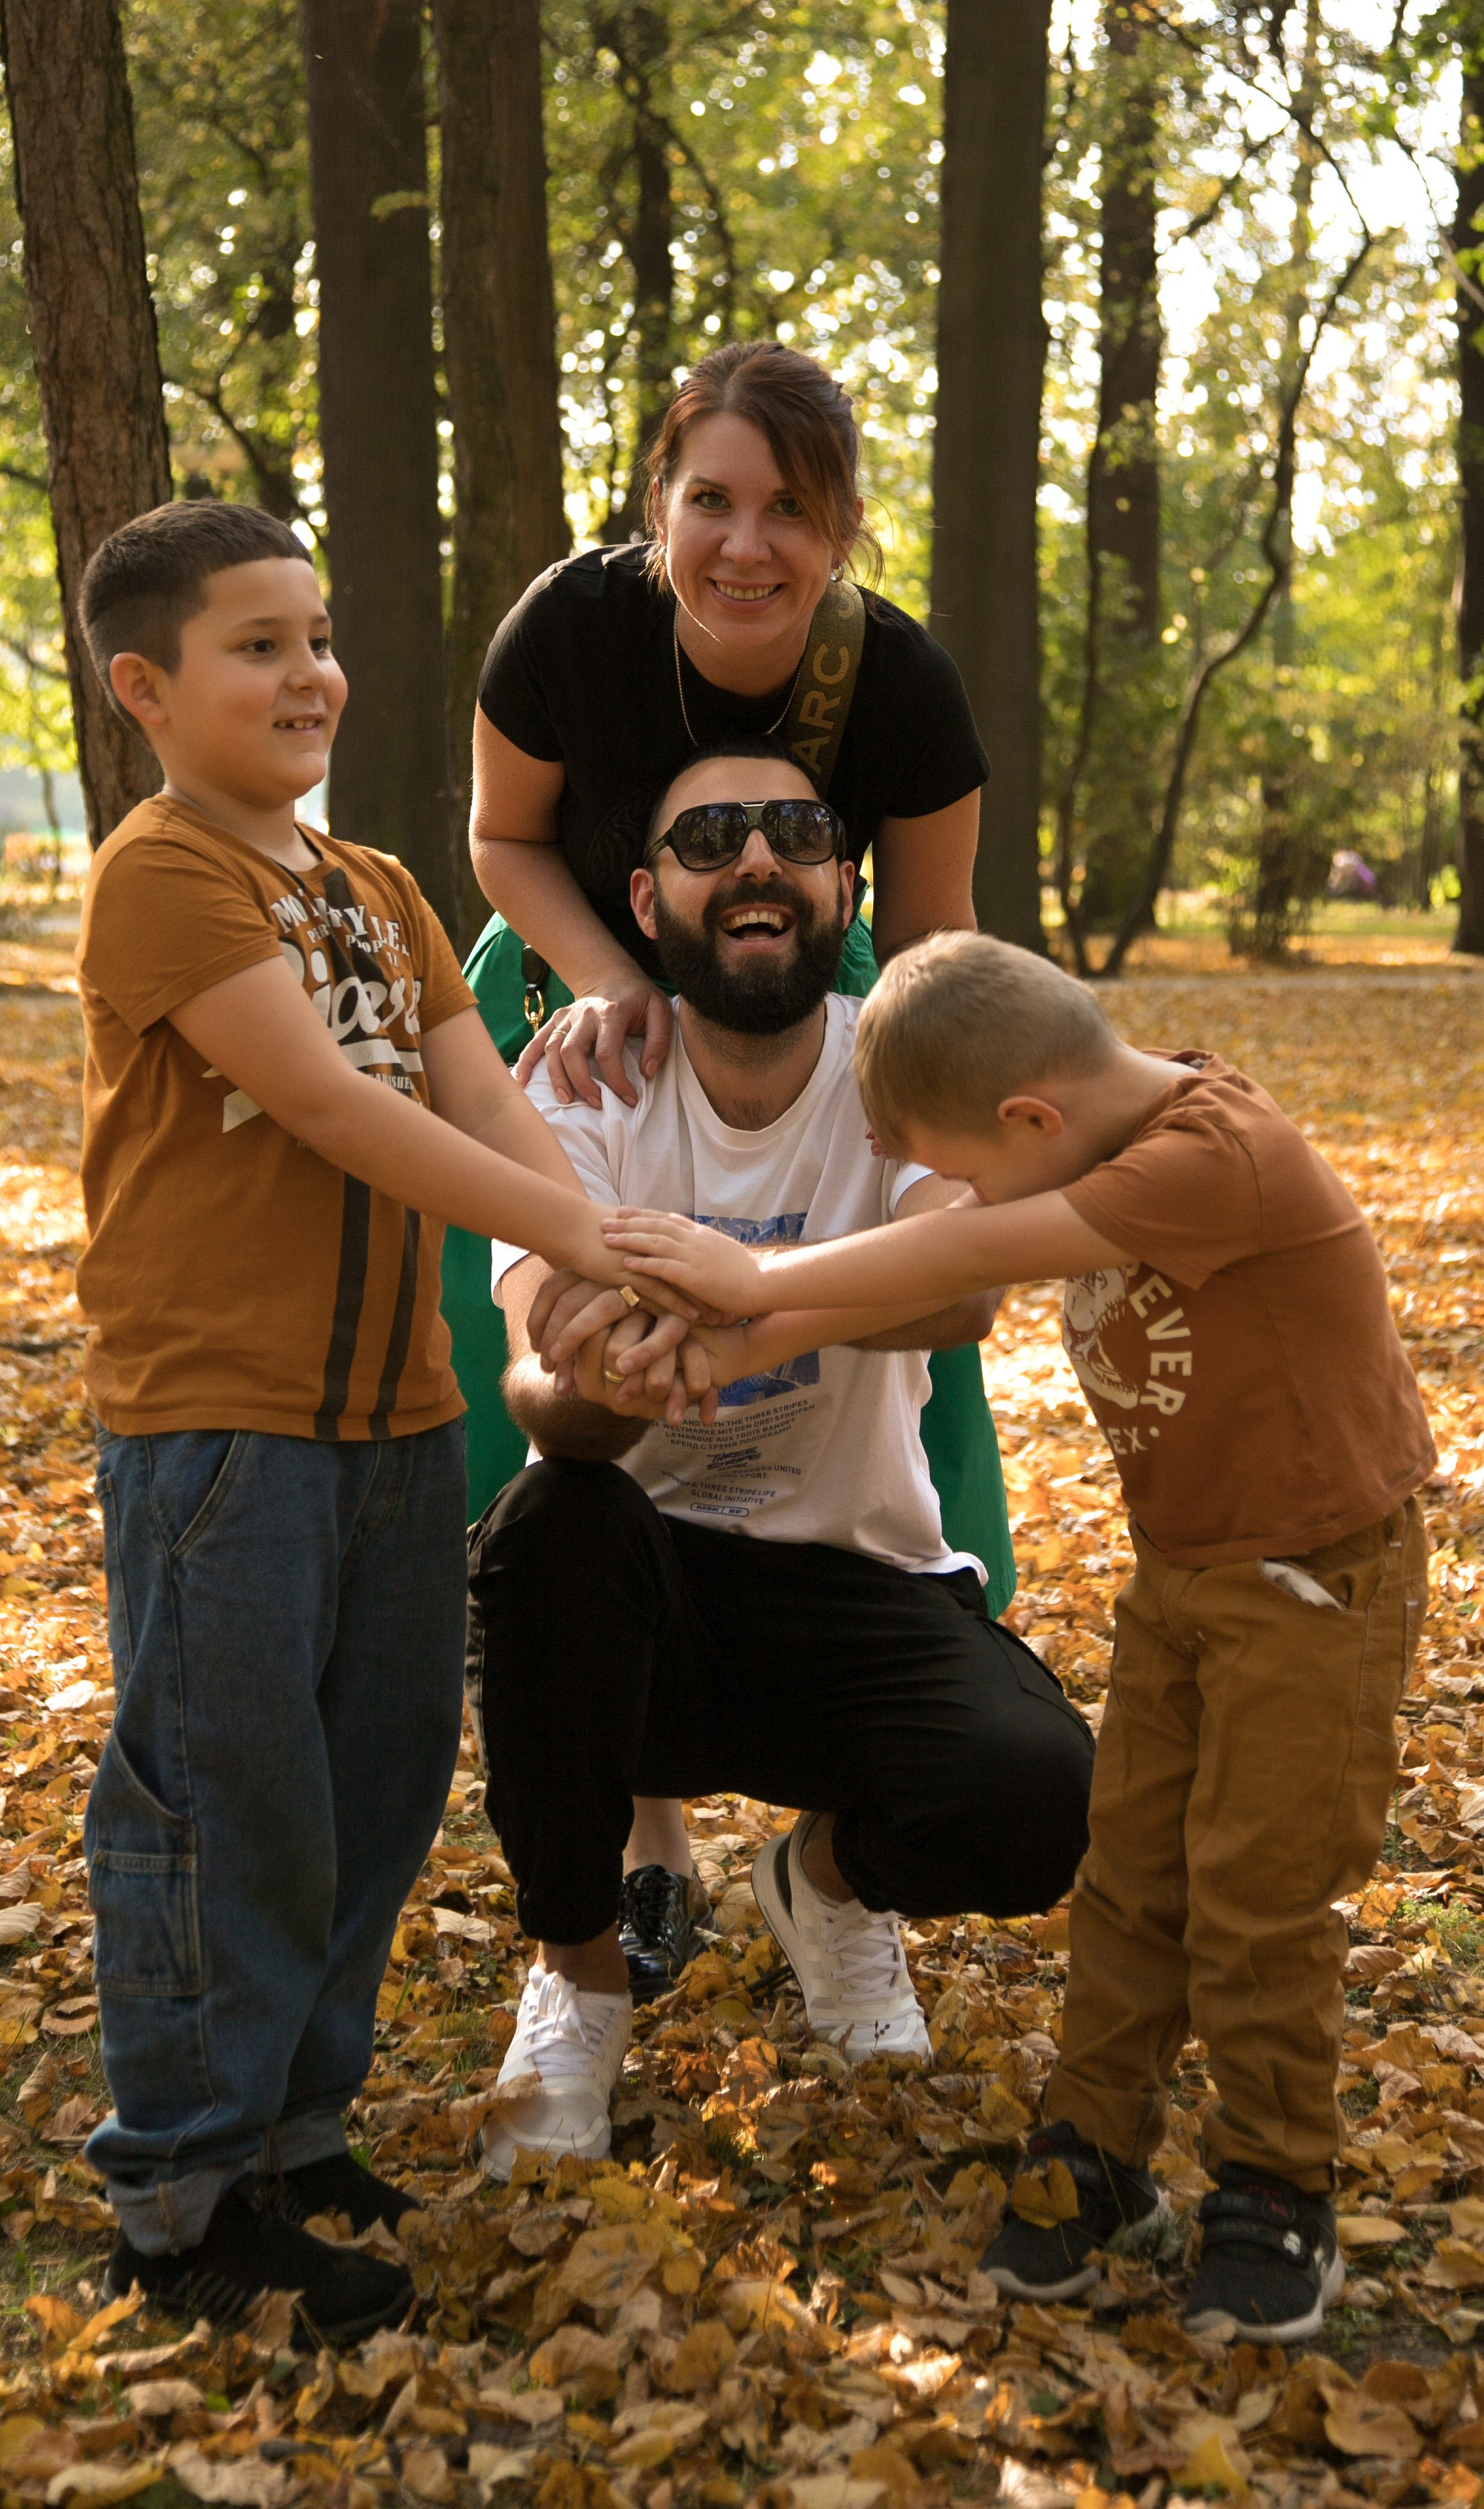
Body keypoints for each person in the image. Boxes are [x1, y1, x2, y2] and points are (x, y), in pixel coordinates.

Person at [601, 929, 1434, 2345]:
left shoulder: (1208, 1156)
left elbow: (980, 1247)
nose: (968, 1194)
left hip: (1315, 1586)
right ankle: (1098, 2149)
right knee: (1128, 1872)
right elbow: (964, 1237)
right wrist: (743, 1344)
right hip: (1184, 1575)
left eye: (970, 1163)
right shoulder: (1098, 1135)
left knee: (1255, 1895)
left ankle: (1277, 2185)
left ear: (1034, 1122)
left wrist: (754, 1279)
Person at [72, 502, 651, 2343]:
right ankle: (182, 2196)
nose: (309, 670)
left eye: (316, 635)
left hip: (396, 1421)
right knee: (222, 1802)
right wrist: (582, 1232)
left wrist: (595, 1270)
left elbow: (483, 1105)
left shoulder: (386, 888)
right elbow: (327, 1104)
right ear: (146, 687)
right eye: (257, 644)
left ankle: (295, 2133)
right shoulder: (164, 875)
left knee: (371, 1792)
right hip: (219, 1433)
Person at [455, 337, 1016, 1994]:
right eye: (710, 498)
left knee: (902, 1360)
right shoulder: (566, 627)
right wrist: (611, 991)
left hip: (823, 1003)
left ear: (837, 528)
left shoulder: (899, 687)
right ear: (658, 504)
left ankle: (869, 1783)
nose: (744, 544)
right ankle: (638, 1840)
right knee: (572, 1385)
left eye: (789, 507)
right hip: (586, 984)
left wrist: (920, 1148)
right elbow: (498, 838)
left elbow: (931, 944)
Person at [470, 749, 1095, 2178]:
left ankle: (823, 1888)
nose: (757, 857)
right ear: (647, 895)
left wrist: (734, 1306)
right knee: (546, 1522)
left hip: (858, 1583)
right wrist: (603, 1386)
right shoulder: (583, 1088)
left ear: (843, 882)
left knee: (1038, 1796)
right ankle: (579, 1982)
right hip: (647, 1608)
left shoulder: (903, 1058)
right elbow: (532, 1371)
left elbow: (961, 1288)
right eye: (709, 836)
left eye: (800, 829)